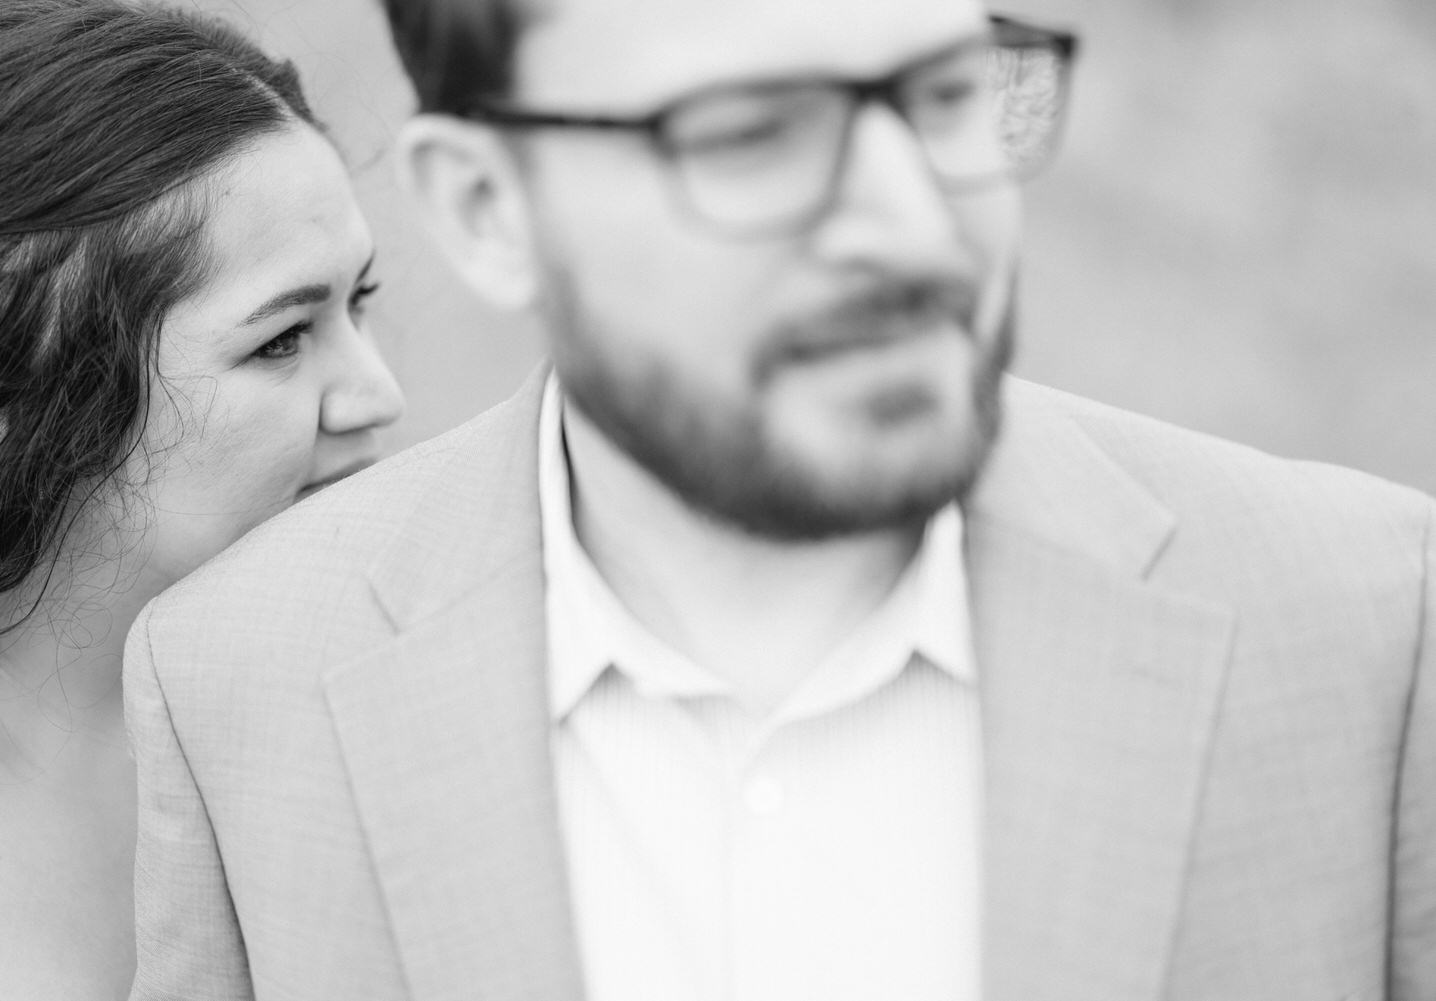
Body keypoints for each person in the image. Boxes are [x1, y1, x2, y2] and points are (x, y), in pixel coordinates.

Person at [124, 0, 1435, 997]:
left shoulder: (1364, 622)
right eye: (751, 134)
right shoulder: (240, 686)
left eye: (945, 96)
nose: (911, 225)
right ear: (486, 208)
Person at [0, 0, 404, 996]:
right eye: (280, 339)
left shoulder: (402, 729)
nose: (379, 395)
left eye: (358, 304)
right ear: (4, 390)